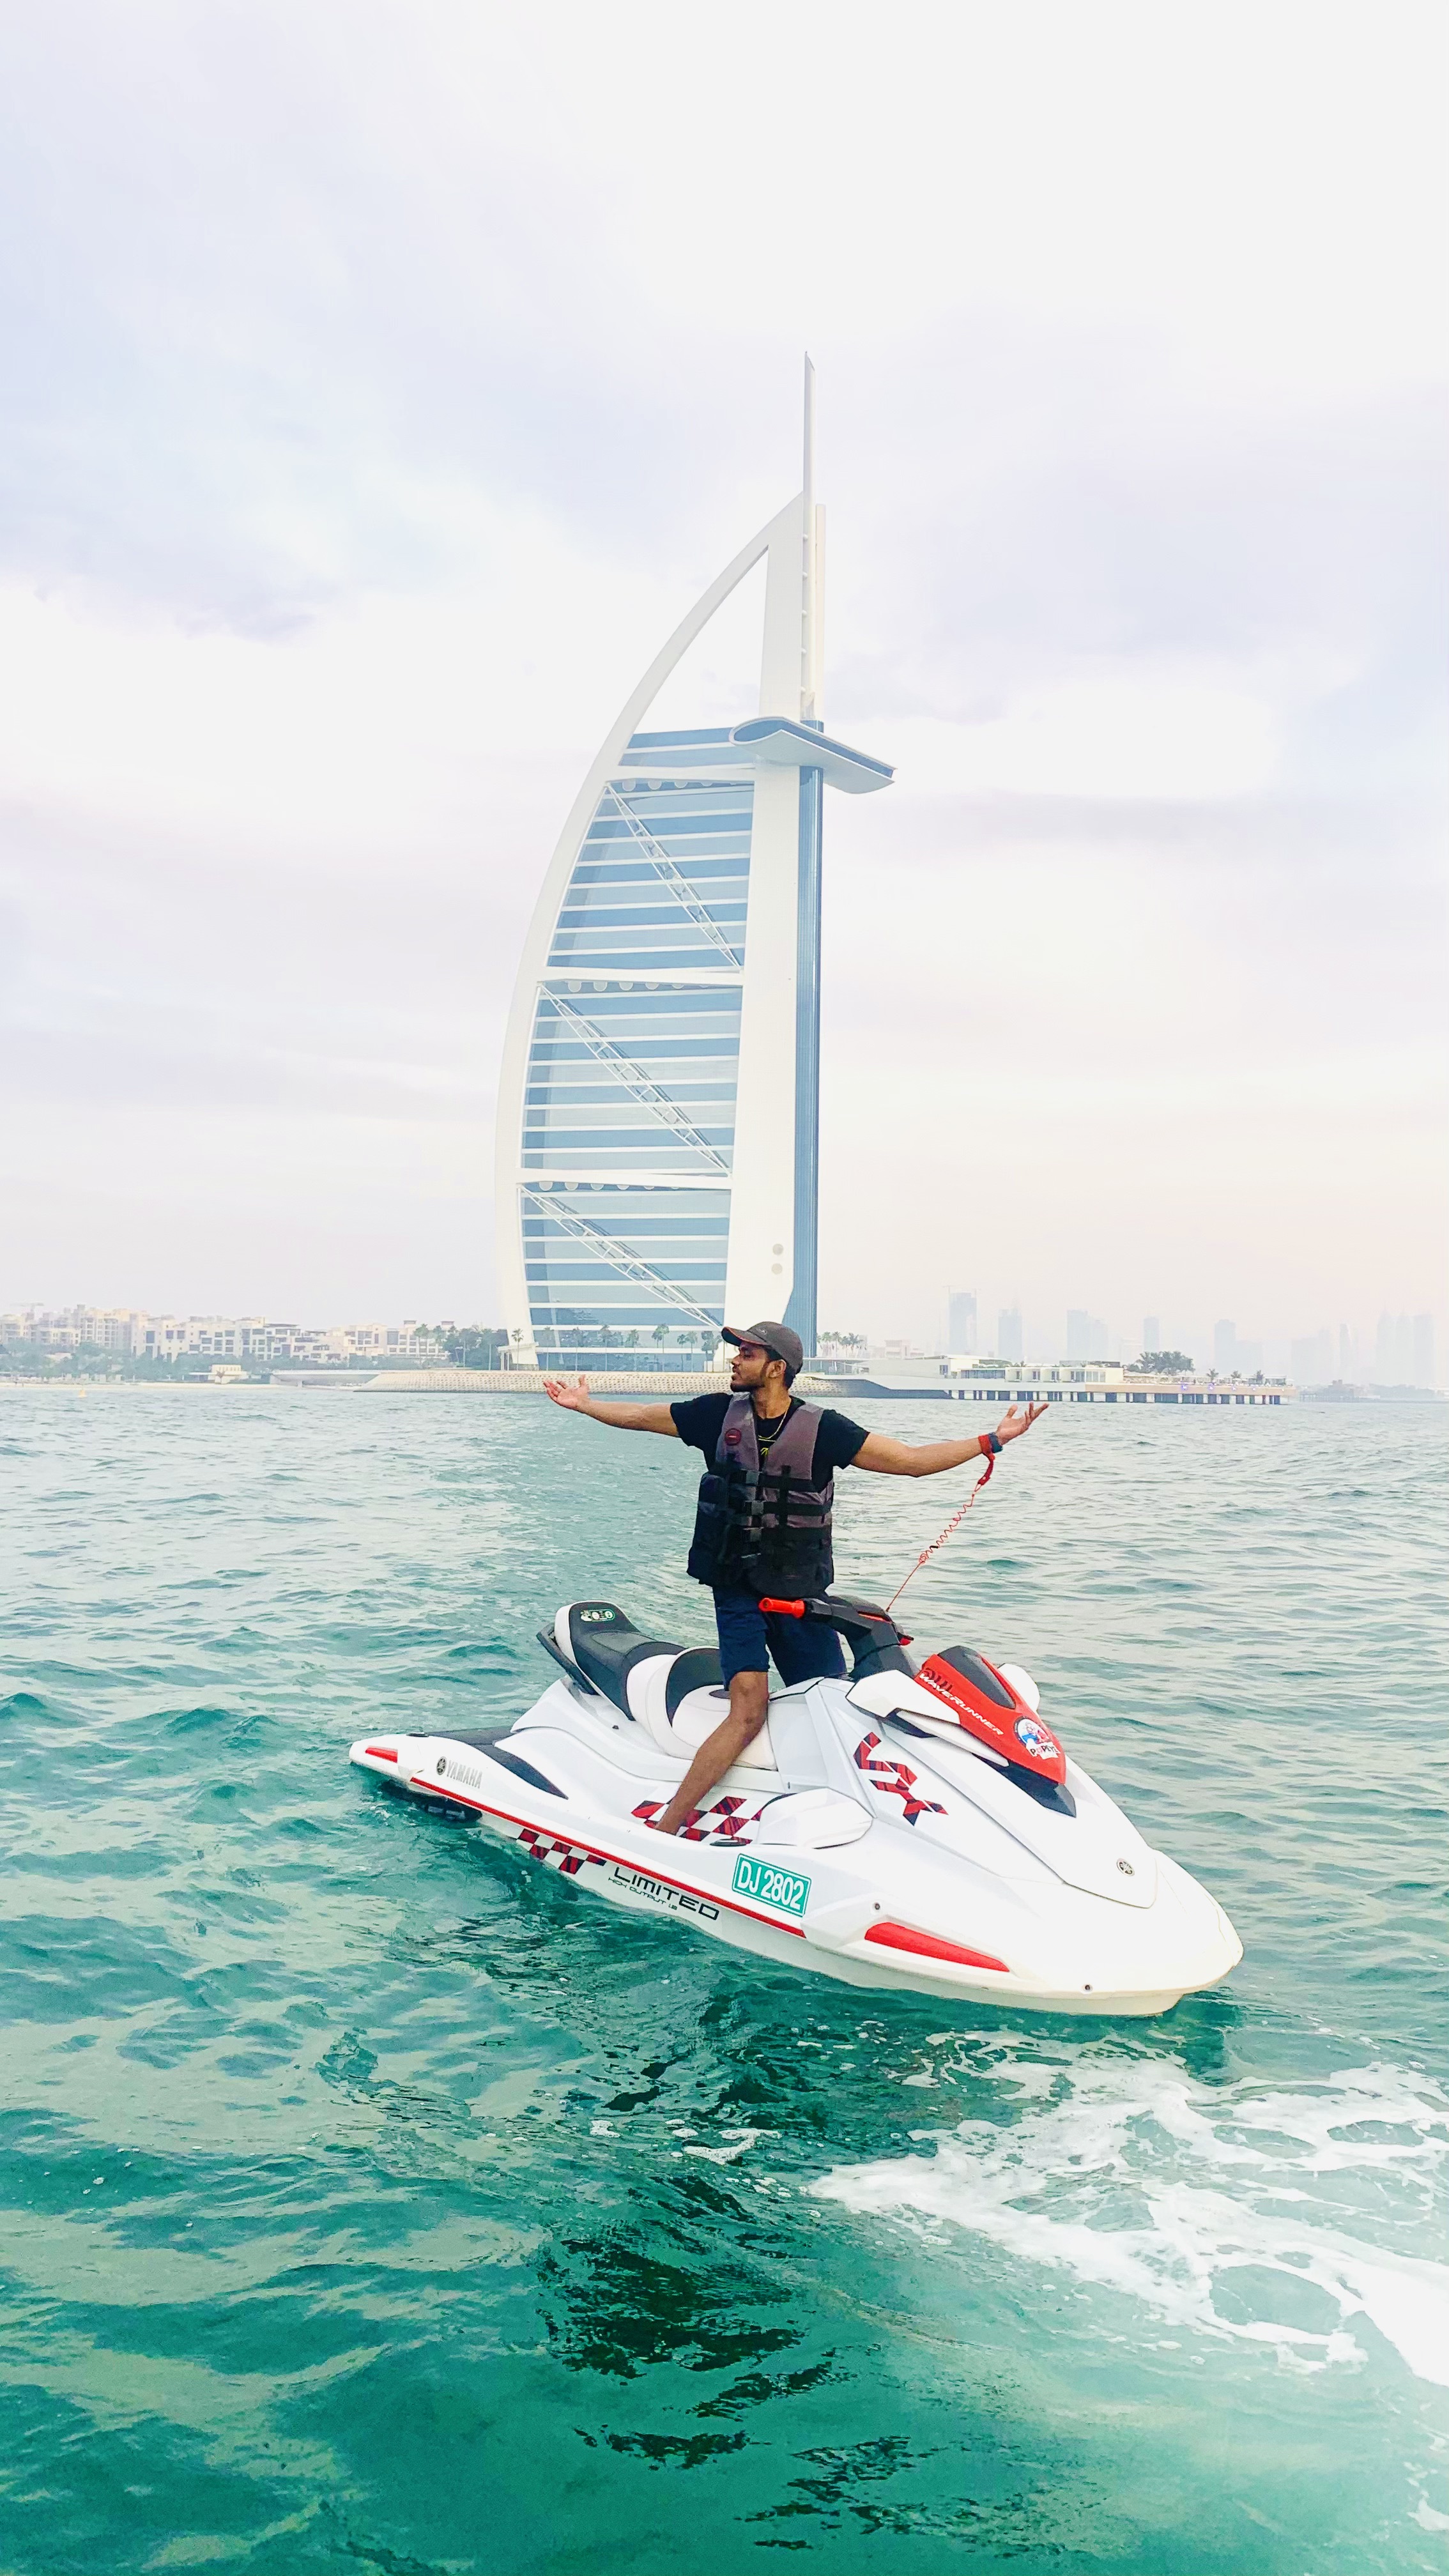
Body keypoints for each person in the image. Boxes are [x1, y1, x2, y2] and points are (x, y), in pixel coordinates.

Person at [542, 1321, 1045, 1835]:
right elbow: (643, 1416)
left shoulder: (826, 1430)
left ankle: (870, 1817)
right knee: (748, 1710)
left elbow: (910, 1462)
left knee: (831, 1701)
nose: (734, 1360)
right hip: (737, 1589)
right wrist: (585, 1404)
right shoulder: (717, 1415)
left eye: (747, 1352)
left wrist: (991, 1441)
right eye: (736, 1351)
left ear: (777, 1368)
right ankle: (668, 1827)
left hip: (801, 1594)